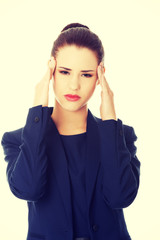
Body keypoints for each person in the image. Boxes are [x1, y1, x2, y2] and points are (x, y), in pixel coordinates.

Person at [1, 23, 140, 240]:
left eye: (86, 75)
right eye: (65, 72)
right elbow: (28, 189)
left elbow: (120, 197)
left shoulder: (120, 136)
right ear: (51, 71)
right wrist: (39, 103)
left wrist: (109, 119)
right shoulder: (18, 139)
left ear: (99, 77)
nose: (74, 85)